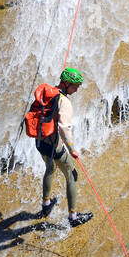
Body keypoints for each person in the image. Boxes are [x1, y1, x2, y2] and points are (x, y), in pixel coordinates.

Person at [38, 67, 93, 228]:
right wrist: (71, 149)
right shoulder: (64, 101)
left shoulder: (48, 92)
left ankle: (46, 205)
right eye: (75, 86)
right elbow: (64, 128)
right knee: (72, 174)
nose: (76, 90)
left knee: (49, 168)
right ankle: (73, 217)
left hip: (40, 142)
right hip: (54, 144)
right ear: (67, 83)